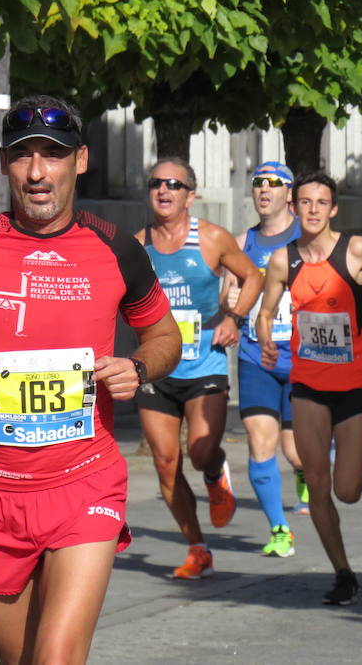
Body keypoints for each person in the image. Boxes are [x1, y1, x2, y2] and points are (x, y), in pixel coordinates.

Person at [0, 94, 180, 663]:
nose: (38, 172)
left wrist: (138, 367)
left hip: (84, 481)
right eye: (23, 157)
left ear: (81, 160)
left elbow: (166, 336)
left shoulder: (115, 246)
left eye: (54, 154)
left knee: (56, 658)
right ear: (5, 165)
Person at [259, 172, 362, 605]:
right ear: (293, 207)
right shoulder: (282, 260)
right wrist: (267, 336)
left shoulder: (356, 251)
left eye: (320, 203)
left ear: (333, 209)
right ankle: (343, 573)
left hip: (354, 386)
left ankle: (360, 464)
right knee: (318, 484)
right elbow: (266, 310)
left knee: (348, 489)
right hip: (308, 383)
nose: (312, 210)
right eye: (304, 202)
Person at [135, 157, 263, 579]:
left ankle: (214, 470)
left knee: (201, 450)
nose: (163, 190)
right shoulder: (137, 247)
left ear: (191, 195)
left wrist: (235, 319)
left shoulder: (211, 238)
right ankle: (197, 547)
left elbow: (254, 278)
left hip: (204, 360)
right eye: (156, 183)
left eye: (174, 184)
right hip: (156, 368)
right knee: (165, 462)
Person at [222, 161, 308, 560]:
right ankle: (279, 529)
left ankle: (307, 471)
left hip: (305, 357)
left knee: (296, 452)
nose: (264, 190)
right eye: (258, 183)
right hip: (258, 356)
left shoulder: (306, 239)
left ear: (288, 194)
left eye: (274, 184)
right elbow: (230, 293)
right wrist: (232, 301)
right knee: (260, 442)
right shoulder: (242, 243)